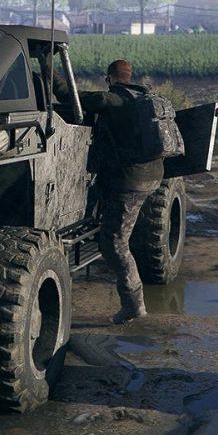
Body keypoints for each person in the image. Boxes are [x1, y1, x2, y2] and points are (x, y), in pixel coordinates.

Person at [79, 59, 165, 324]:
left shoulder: (114, 99)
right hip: (151, 176)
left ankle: (133, 305)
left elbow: (76, 98)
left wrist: (50, 76)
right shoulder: (144, 97)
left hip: (130, 182)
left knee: (114, 243)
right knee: (113, 226)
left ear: (110, 78)